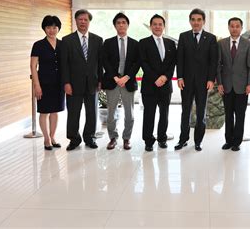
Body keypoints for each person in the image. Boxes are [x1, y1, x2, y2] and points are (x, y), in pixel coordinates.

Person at [175, 8, 218, 151]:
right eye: (193, 19)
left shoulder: (211, 38)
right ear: (190, 21)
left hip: (203, 82)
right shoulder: (183, 36)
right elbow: (179, 59)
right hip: (186, 81)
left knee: (201, 112)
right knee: (185, 111)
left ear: (204, 21)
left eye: (199, 20)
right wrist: (180, 76)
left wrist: (211, 79)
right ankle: (183, 140)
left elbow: (213, 61)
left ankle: (198, 141)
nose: (196, 22)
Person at [61, 9, 103, 151]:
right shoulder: (67, 41)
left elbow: (100, 62)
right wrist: (66, 83)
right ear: (76, 21)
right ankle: (74, 139)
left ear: (89, 22)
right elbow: (64, 64)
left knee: (92, 112)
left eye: (86, 20)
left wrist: (100, 80)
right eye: (80, 19)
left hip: (92, 83)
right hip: (73, 84)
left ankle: (89, 137)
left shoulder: (98, 40)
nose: (83, 22)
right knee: (73, 113)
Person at [102, 12, 140, 151]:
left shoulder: (135, 44)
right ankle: (113, 137)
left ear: (128, 25)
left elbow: (137, 63)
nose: (121, 25)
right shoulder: (108, 42)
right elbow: (105, 61)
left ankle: (126, 138)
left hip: (128, 82)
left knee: (129, 113)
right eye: (118, 23)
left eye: (124, 22)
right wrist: (116, 77)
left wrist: (127, 77)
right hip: (113, 82)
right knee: (111, 113)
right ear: (115, 26)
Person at [139, 14, 177, 151]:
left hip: (166, 86)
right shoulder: (143, 43)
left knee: (164, 114)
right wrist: (156, 78)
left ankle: (162, 138)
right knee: (149, 114)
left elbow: (172, 63)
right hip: (150, 85)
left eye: (160, 24)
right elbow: (144, 63)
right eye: (154, 24)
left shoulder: (170, 44)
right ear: (151, 26)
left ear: (164, 26)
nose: (157, 26)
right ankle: (148, 141)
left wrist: (165, 77)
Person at [217, 17, 250, 151]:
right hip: (226, 85)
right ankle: (228, 140)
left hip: (242, 86)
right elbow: (218, 66)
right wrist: (219, 83)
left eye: (237, 26)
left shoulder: (248, 44)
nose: (234, 28)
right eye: (232, 26)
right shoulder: (221, 43)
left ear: (241, 28)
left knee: (240, 115)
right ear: (228, 27)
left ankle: (237, 142)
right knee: (228, 114)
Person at [30, 15, 65, 150]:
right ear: (44, 28)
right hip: (44, 83)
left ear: (58, 28)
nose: (51, 30)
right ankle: (46, 139)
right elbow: (33, 66)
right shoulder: (38, 45)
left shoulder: (62, 44)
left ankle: (53, 136)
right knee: (44, 112)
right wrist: (36, 85)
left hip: (58, 83)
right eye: (49, 27)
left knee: (55, 111)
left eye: (54, 27)